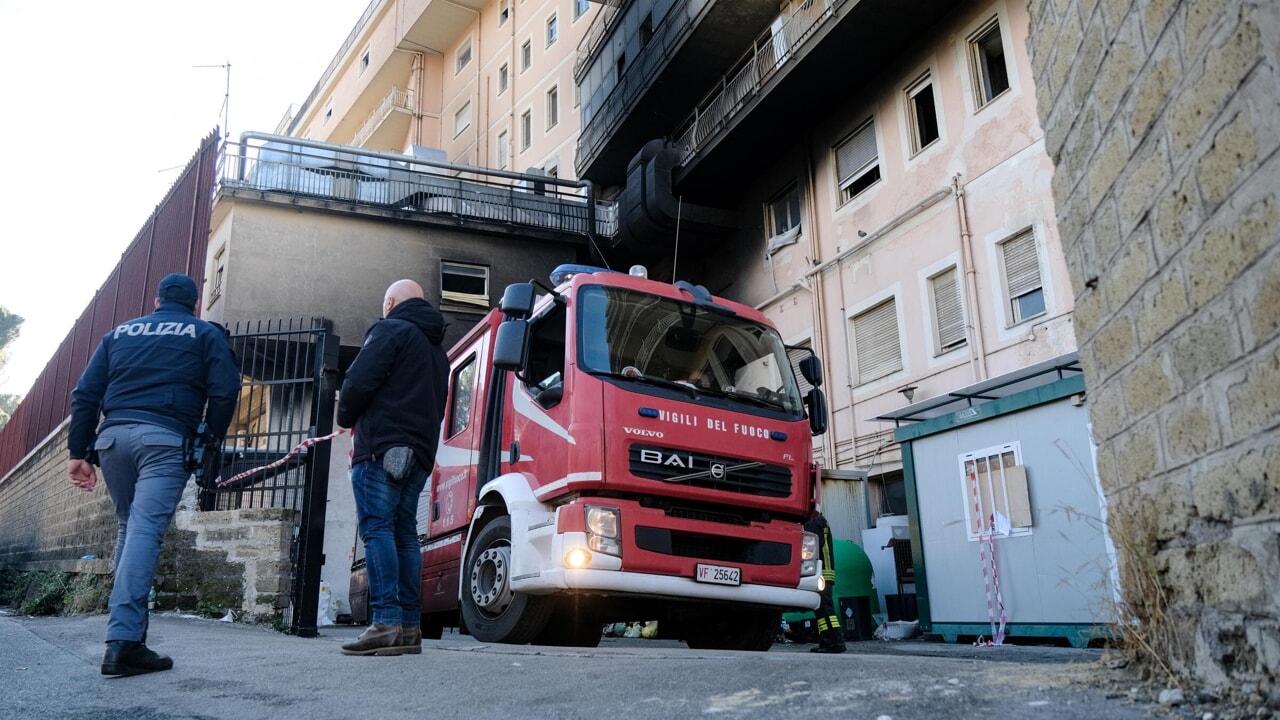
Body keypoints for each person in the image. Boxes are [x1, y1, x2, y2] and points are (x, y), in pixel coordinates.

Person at [67, 273, 240, 677]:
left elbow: (85, 394)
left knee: (130, 527)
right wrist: (208, 439)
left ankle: (129, 639)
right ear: (195, 304)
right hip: (165, 439)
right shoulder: (203, 333)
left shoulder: (119, 333)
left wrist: (79, 453)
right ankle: (123, 643)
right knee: (144, 530)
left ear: (158, 300)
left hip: (112, 440)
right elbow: (225, 390)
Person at [337, 279, 449, 656]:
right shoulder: (438, 353)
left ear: (390, 302)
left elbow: (357, 381)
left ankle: (385, 622)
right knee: (404, 534)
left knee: (377, 529)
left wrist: (345, 415)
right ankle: (408, 628)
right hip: (419, 453)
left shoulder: (390, 330)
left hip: (382, 447)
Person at [805, 509, 847, 654]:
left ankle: (835, 643)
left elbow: (811, 546)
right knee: (821, 609)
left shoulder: (813, 521)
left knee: (825, 608)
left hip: (821, 572)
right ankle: (826, 641)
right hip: (824, 571)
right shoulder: (820, 520)